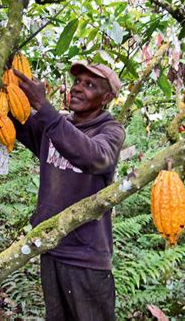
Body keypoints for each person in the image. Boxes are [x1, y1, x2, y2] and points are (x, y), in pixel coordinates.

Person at [12, 63, 125, 321]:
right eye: (78, 82)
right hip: (51, 246)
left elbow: (95, 157)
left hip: (86, 255)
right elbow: (20, 124)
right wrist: (4, 87)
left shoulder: (110, 130)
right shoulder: (58, 124)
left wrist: (45, 109)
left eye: (90, 85)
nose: (77, 88)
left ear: (106, 98)